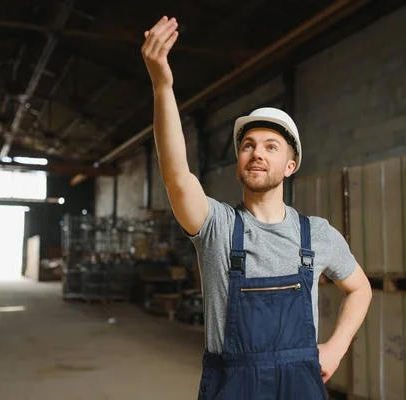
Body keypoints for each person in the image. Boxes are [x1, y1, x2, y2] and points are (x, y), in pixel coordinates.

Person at [141, 16, 372, 399]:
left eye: (270, 146)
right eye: (248, 145)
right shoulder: (215, 227)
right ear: (238, 164)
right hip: (233, 385)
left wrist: (336, 347)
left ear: (290, 166)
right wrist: (162, 86)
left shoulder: (317, 234)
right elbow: (177, 175)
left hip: (300, 384)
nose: (257, 154)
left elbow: (360, 289)